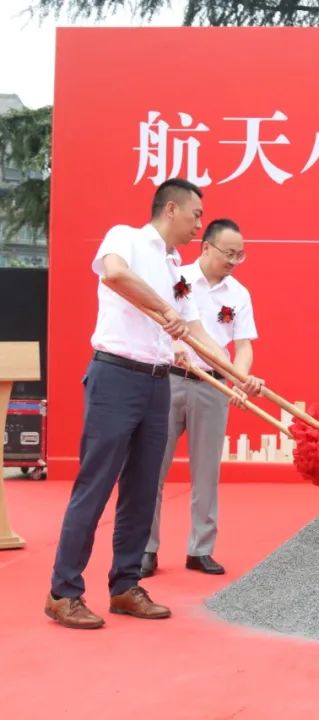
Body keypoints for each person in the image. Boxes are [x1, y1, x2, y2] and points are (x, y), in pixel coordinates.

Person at [46, 178, 227, 629]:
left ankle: (125, 585)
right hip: (116, 375)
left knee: (144, 489)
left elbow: (196, 331)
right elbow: (115, 275)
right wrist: (165, 311)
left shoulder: (177, 271)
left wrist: (238, 376)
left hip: (157, 382)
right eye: (196, 215)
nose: (199, 225)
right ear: (171, 209)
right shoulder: (125, 237)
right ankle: (63, 592)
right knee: (96, 484)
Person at [142, 219, 263, 578]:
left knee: (207, 472)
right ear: (206, 247)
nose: (234, 261)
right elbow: (158, 323)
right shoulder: (176, 278)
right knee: (152, 468)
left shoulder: (239, 294)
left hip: (213, 385)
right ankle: (145, 548)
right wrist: (175, 345)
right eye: (229, 253)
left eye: (240, 255)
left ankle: (201, 549)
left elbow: (243, 345)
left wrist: (239, 379)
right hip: (169, 379)